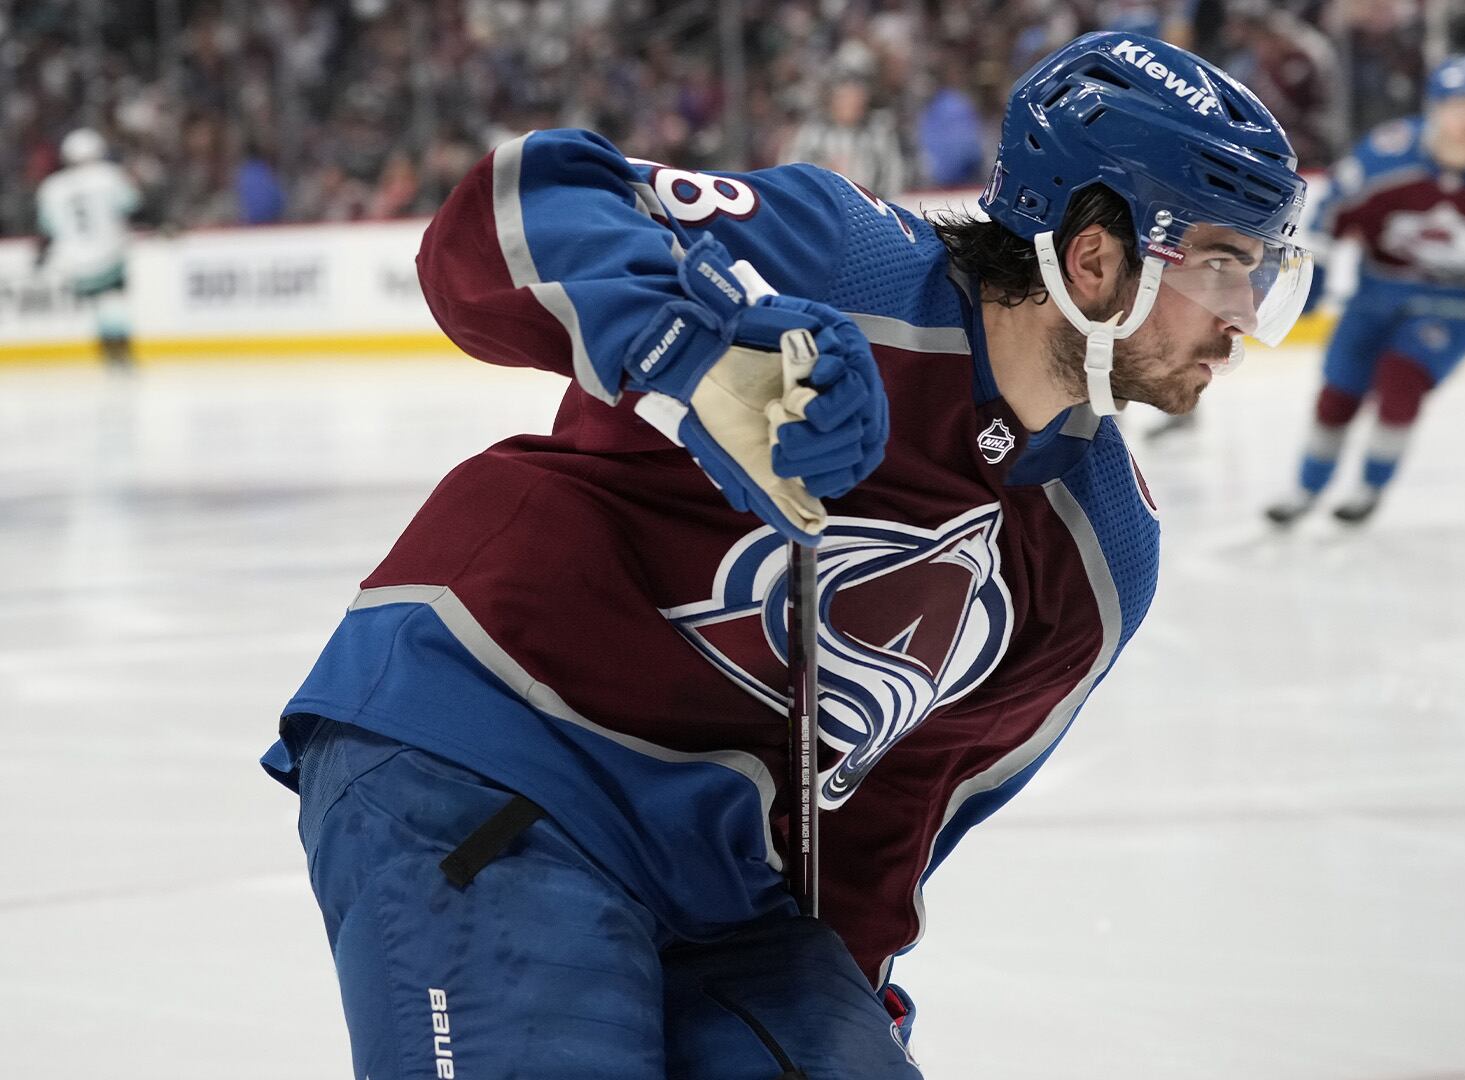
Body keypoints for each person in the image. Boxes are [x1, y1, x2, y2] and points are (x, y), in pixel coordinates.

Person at [262, 31, 1312, 1079]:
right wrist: (700, 346)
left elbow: (892, 817)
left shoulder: (1102, 556)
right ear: (1096, 259)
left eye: (1263, 274)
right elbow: (495, 225)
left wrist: (842, 1004)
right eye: (1223, 265)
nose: (1244, 317)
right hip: (494, 744)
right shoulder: (840, 257)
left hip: (728, 883)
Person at [1265, 55, 1465, 527]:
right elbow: (1334, 212)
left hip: (1462, 306)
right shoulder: (1387, 153)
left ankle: (1370, 486)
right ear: (1434, 110)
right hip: (1377, 295)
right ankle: (1306, 488)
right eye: (1457, 107)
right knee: (1339, 392)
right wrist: (1317, 268)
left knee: (1400, 382)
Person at [34, 128, 141, 369]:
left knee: (98, 306)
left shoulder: (52, 187)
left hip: (75, 262)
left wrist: (40, 256)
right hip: (110, 254)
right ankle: (121, 350)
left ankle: (109, 351)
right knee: (114, 301)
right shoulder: (109, 176)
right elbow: (132, 206)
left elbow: (47, 229)